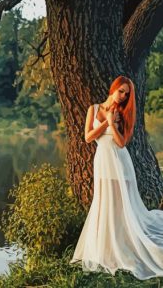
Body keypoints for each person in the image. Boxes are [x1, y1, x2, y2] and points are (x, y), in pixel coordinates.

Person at [69, 75, 163, 280]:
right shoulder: (93, 109)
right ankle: (107, 248)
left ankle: (124, 246)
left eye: (126, 95)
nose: (122, 97)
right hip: (102, 161)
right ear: (113, 88)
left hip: (120, 163)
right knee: (104, 203)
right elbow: (87, 137)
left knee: (122, 206)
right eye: (121, 91)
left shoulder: (123, 114)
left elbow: (121, 143)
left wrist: (113, 122)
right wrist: (107, 123)